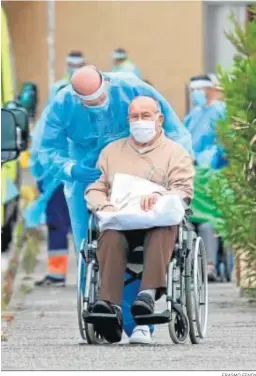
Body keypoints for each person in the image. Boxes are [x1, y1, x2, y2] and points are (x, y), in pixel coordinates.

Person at [32, 66, 193, 343]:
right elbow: (47, 149)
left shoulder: (132, 91)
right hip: (97, 177)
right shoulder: (65, 106)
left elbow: (179, 162)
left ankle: (141, 318)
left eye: (98, 98)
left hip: (153, 192)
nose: (95, 106)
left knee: (158, 232)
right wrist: (72, 171)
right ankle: (109, 311)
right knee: (100, 244)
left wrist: (166, 189)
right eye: (87, 102)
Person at [85, 96, 194, 344]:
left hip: (157, 223)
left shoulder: (175, 153)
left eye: (146, 116)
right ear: (128, 121)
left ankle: (146, 296)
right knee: (109, 236)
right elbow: (96, 187)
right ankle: (109, 307)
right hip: (122, 221)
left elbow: (183, 190)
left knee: (164, 229)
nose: (140, 121)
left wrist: (160, 195)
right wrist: (103, 203)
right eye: (135, 117)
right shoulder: (112, 152)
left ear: (159, 119)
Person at [29, 51, 86, 286]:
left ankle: (85, 273)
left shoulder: (79, 116)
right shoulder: (54, 118)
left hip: (73, 177)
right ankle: (57, 273)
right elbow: (42, 148)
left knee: (81, 225)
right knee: (58, 224)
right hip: (58, 179)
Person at [185, 74, 227, 281]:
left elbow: (226, 142)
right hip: (192, 175)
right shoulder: (192, 116)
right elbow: (184, 140)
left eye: (200, 89)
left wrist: (208, 158)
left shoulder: (221, 112)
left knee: (209, 222)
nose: (196, 94)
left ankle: (210, 265)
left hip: (214, 174)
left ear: (211, 89)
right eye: (193, 90)